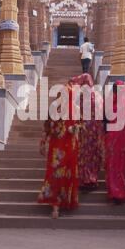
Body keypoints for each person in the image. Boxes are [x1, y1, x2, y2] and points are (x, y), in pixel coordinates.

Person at [38, 84, 81, 219]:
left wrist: (75, 128)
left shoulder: (76, 109)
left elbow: (81, 126)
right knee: (56, 174)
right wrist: (43, 143)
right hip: (57, 147)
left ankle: (64, 202)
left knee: (65, 174)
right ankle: (55, 206)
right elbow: (47, 126)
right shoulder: (54, 108)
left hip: (69, 147)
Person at [69, 74, 104, 190]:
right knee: (93, 155)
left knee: (85, 155)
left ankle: (85, 179)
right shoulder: (98, 96)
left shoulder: (83, 98)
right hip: (96, 132)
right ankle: (92, 178)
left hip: (85, 132)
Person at [104, 81, 125, 204]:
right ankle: (113, 194)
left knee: (121, 164)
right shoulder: (108, 102)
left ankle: (120, 193)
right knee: (112, 165)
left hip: (122, 136)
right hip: (112, 136)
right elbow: (104, 119)